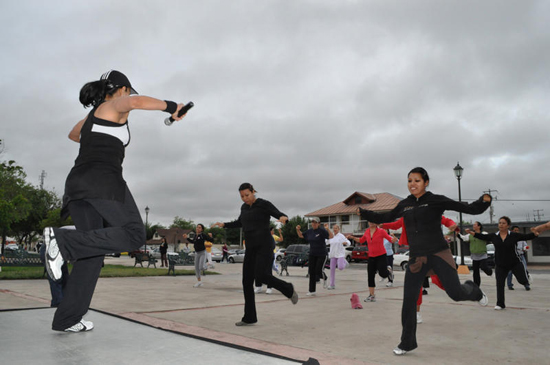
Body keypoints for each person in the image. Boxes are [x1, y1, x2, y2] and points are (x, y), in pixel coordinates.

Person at [42, 70, 187, 333]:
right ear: (121, 89)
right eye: (128, 91)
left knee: (92, 256)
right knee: (134, 234)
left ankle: (67, 318)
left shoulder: (92, 116)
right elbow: (134, 102)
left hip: (77, 187)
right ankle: (63, 241)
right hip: (103, 183)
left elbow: (74, 135)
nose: (130, 96)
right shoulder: (115, 105)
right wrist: (172, 107)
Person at [358, 167, 491, 356]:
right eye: (409, 180)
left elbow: (467, 208)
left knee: (455, 293)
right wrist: (364, 212)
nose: (412, 184)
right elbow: (385, 217)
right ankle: (407, 343)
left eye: (417, 180)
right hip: (417, 257)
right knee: (409, 300)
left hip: (439, 254)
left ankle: (474, 291)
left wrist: (484, 202)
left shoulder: (435, 200)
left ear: (426, 182)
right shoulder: (405, 204)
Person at [212, 183, 298, 326]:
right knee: (247, 281)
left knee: (261, 275)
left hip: (264, 245)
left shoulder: (263, 204)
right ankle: (250, 317)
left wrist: (284, 218)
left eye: (247, 195)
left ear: (253, 192)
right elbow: (240, 222)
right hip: (251, 247)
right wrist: (224, 225)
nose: (245, 198)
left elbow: (278, 213)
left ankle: (288, 289)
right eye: (242, 196)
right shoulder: (244, 208)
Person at [467, 217, 537, 310]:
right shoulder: (494, 236)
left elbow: (526, 237)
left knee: (522, 280)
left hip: (514, 262)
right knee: (499, 284)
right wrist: (473, 233)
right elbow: (483, 237)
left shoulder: (513, 235)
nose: (501, 224)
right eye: (500, 223)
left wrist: (535, 234)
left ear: (508, 225)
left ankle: (526, 278)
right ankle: (500, 304)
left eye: (503, 223)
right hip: (500, 264)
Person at [347, 223, 396, 302]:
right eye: (369, 221)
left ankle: (389, 271)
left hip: (381, 256)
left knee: (382, 274)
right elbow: (361, 240)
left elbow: (390, 239)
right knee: (370, 275)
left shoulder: (381, 231)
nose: (370, 223)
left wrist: (394, 239)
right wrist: (352, 237)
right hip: (371, 256)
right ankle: (372, 295)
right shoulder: (367, 232)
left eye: (372, 221)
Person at [296, 218, 333, 296]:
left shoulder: (322, 231)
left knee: (318, 271)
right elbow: (301, 235)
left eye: (315, 222)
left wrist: (327, 229)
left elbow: (331, 236)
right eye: (312, 222)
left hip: (322, 254)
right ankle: (312, 291)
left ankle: (324, 277)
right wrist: (298, 230)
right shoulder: (309, 231)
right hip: (312, 254)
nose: (314, 224)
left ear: (319, 223)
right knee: (311, 272)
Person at [459, 222, 493, 287]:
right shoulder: (470, 235)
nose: (473, 226)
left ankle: (489, 272)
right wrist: (457, 233)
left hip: (482, 254)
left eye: (475, 225)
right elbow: (463, 238)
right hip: (474, 255)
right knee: (475, 272)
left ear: (479, 226)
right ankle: (476, 286)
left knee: (483, 267)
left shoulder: (484, 233)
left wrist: (471, 233)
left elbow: (485, 237)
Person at [255, 227, 283, 294]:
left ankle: (269, 287)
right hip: (261, 256)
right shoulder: (261, 236)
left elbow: (272, 246)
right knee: (258, 271)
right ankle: (258, 286)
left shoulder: (272, 238)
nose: (273, 231)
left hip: (269, 255)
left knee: (268, 272)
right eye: (272, 230)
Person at [326, 224, 350, 290]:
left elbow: (348, 241)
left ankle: (344, 262)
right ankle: (332, 284)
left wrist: (346, 242)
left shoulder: (341, 236)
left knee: (340, 267)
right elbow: (327, 242)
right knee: (332, 270)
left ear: (338, 229)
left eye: (336, 228)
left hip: (340, 254)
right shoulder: (331, 236)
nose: (334, 229)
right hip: (333, 254)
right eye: (333, 228)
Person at [506, 226, 530, 291]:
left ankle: (526, 284)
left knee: (524, 270)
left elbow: (526, 246)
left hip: (521, 256)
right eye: (515, 230)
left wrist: (525, 248)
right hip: (512, 257)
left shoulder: (521, 239)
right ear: (512, 231)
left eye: (517, 230)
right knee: (510, 272)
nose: (516, 232)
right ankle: (509, 285)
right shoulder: (509, 239)